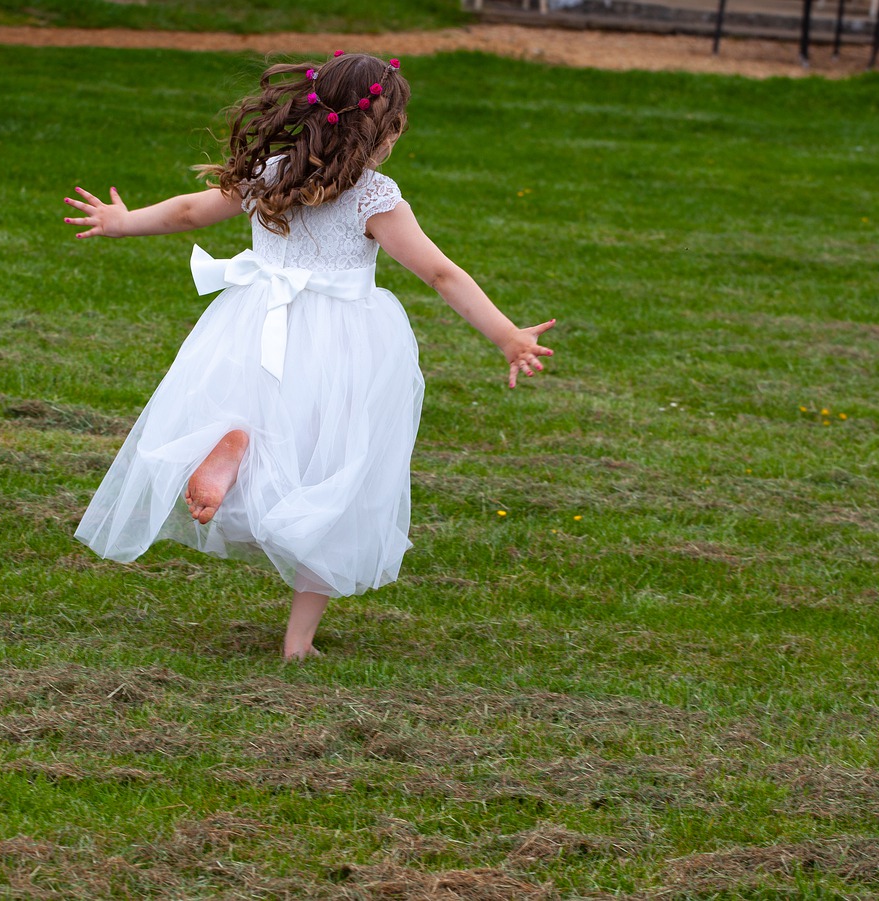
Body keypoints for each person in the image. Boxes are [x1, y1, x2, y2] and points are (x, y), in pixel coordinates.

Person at [63, 52, 556, 660]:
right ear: (388, 130)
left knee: (271, 431)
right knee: (338, 476)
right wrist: (507, 334)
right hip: (344, 343)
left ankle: (233, 445)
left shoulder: (275, 171)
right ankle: (298, 643)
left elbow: (191, 211)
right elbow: (439, 273)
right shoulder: (373, 197)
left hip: (255, 323)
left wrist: (122, 221)